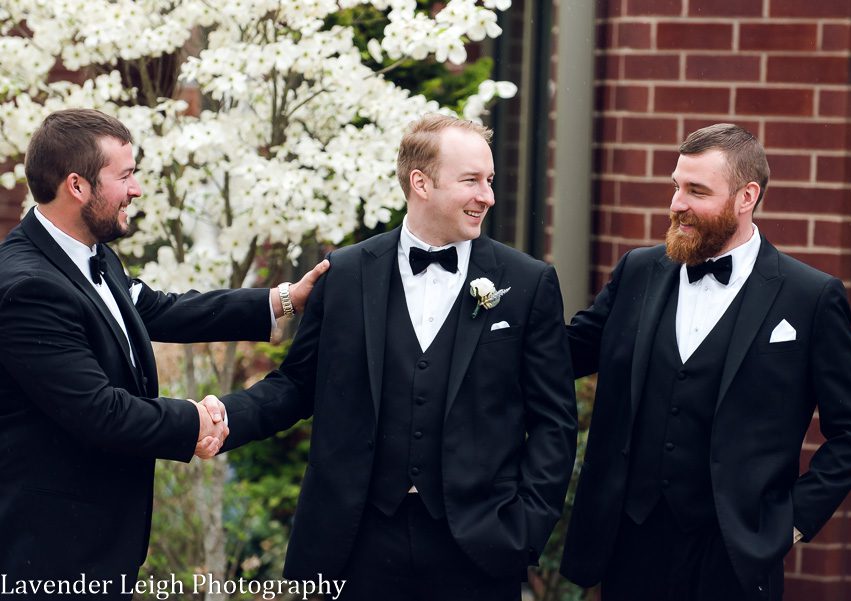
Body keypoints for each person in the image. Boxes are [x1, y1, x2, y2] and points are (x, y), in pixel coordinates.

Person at [219, 114, 578, 600]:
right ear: (420, 183)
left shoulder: (528, 283)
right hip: (354, 545)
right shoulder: (346, 274)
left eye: (490, 180)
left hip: (478, 547)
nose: (488, 196)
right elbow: (297, 385)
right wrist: (222, 418)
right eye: (471, 181)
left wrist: (525, 529)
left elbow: (554, 421)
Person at [0, 108, 326, 597]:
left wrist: (285, 299)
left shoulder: (92, 254)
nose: (136, 189)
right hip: (51, 554)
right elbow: (100, 411)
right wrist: (198, 422)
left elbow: (158, 309)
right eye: (125, 176)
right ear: (77, 186)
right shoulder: (28, 288)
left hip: (102, 543)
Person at [559, 123, 851, 601]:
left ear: (746, 196)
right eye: (676, 186)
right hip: (630, 545)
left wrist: (791, 522)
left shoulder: (809, 297)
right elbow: (562, 355)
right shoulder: (638, 272)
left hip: (734, 556)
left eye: (697, 191)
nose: (676, 204)